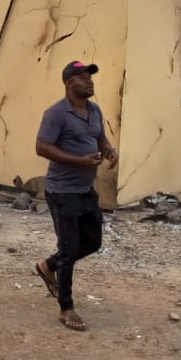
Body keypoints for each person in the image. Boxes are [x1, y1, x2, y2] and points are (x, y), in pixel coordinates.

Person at [33, 60, 117, 331]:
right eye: (82, 77)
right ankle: (66, 309)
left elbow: (100, 139)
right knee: (69, 249)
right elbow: (42, 147)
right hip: (61, 191)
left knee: (93, 242)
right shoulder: (56, 113)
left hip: (84, 191)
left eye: (90, 77)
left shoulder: (94, 110)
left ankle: (48, 265)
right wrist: (78, 161)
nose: (89, 81)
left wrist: (109, 151)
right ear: (69, 83)